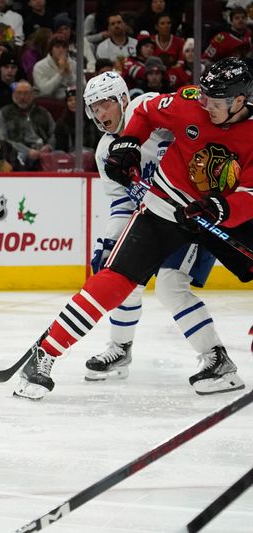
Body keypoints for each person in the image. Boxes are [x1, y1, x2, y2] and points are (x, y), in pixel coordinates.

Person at [14, 58, 253, 400]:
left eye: (215, 103)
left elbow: (251, 194)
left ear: (240, 101)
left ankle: (218, 361)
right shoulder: (190, 102)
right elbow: (147, 115)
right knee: (115, 277)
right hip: (162, 207)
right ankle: (46, 354)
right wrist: (129, 143)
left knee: (172, 286)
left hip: (214, 215)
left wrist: (220, 208)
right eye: (204, 98)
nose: (205, 106)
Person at [79, 70, 227, 384]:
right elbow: (122, 203)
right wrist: (108, 243)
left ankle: (216, 357)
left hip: (193, 212)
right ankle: (120, 348)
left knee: (171, 286)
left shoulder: (146, 107)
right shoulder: (106, 151)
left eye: (105, 104)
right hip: (157, 219)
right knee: (124, 277)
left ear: (122, 98)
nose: (100, 113)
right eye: (94, 108)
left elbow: (192, 125)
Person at [0, 80, 55, 171]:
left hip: (44, 151)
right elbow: (2, 139)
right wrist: (27, 151)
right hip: (17, 152)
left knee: (60, 155)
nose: (22, 97)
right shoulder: (4, 113)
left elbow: (55, 133)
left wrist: (49, 146)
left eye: (26, 93)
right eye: (19, 93)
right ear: (13, 95)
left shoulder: (43, 112)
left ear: (33, 95)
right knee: (20, 158)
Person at [32, 32, 79, 99]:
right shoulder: (39, 66)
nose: (61, 50)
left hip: (70, 102)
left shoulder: (74, 64)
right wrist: (61, 73)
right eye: (57, 47)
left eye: (64, 47)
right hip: (47, 102)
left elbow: (83, 88)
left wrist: (69, 73)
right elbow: (45, 91)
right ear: (51, 49)